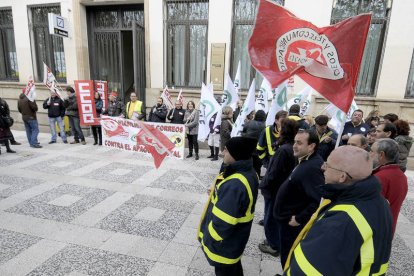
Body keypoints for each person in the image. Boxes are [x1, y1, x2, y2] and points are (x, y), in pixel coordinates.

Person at [284, 146, 393, 275]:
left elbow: (309, 271)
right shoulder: (378, 201)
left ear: (342, 177)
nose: (322, 168)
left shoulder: (341, 222)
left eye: (327, 165)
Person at [198, 136, 259, 276]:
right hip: (235, 240)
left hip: (224, 245)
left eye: (226, 149)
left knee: (225, 271)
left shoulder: (235, 185)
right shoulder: (249, 172)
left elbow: (222, 223)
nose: (222, 152)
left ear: (236, 154)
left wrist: (211, 238)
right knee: (234, 268)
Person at [273, 129, 324, 267]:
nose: (294, 145)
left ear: (311, 146)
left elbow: (318, 200)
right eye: (295, 141)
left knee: (289, 256)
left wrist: (299, 218)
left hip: (292, 224)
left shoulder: (312, 167)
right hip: (286, 220)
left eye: (299, 143)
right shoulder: (305, 160)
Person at [258, 119, 298, 257]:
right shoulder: (290, 146)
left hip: (274, 190)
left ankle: (273, 245)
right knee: (273, 217)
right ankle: (274, 241)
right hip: (280, 188)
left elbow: (273, 174)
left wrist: (263, 184)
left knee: (270, 218)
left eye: (280, 127)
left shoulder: (284, 150)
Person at [371, 138, 408, 234]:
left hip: (375, 230)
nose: (369, 154)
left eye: (371, 151)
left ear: (381, 155)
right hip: (388, 228)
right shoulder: (401, 175)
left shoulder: (380, 177)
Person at [242, 110, 266, 176]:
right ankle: (256, 180)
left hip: (248, 149)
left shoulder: (249, 123)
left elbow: (243, 133)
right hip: (258, 151)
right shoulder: (265, 126)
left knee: (247, 167)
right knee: (257, 168)